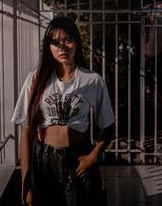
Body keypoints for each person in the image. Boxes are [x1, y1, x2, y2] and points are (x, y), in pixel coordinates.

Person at [10, 16, 115, 206]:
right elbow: (26, 132)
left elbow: (109, 126)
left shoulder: (92, 80)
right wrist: (25, 182)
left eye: (68, 40)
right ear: (48, 46)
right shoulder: (36, 78)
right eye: (56, 42)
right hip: (43, 159)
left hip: (77, 157)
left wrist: (93, 157)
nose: (62, 47)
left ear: (76, 42)